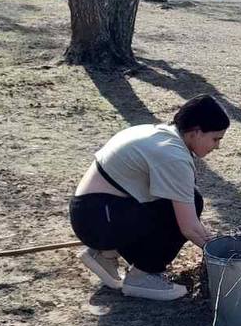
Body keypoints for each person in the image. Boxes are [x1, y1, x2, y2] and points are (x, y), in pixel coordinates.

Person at [69, 94, 229, 302]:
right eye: (215, 139)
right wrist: (224, 256)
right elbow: (189, 227)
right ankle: (142, 276)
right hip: (98, 219)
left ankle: (105, 253)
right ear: (196, 132)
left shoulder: (158, 134)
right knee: (189, 203)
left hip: (91, 213)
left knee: (180, 200)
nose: (217, 146)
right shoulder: (173, 156)